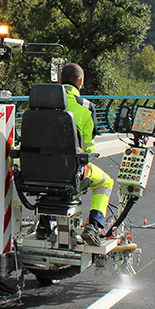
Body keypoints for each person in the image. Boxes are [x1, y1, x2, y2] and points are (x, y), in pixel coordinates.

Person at [59, 62, 114, 245]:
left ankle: (44, 224)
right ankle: (95, 225)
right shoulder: (85, 107)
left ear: (60, 80)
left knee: (51, 180)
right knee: (106, 182)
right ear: (81, 82)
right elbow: (88, 146)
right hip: (70, 170)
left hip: (37, 169)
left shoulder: (40, 103)